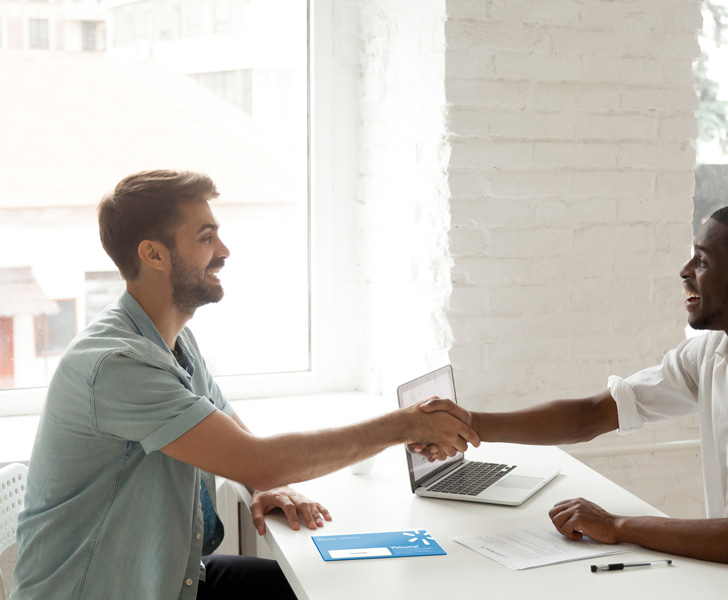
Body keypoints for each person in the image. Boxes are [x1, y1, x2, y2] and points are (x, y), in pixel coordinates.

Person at [11, 170, 478, 600]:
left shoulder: (174, 342)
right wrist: (401, 426)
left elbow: (239, 445)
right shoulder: (118, 365)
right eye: (206, 237)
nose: (224, 251)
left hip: (173, 578)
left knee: (328, 587)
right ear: (153, 254)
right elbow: (261, 460)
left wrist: (259, 482)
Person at [415, 204, 728, 600]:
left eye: (703, 260)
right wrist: (470, 424)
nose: (685, 271)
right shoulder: (711, 354)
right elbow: (593, 414)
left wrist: (619, 525)